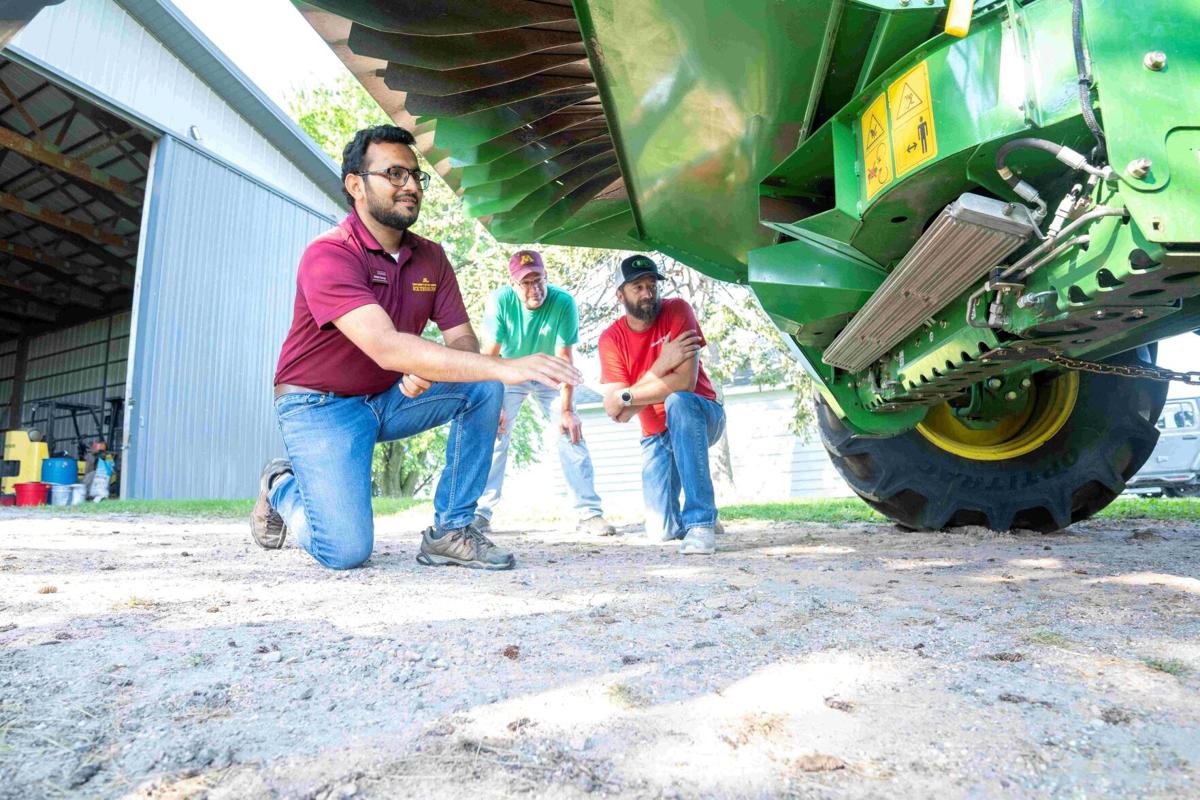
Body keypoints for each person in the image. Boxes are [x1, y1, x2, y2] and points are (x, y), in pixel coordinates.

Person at [251, 125, 581, 571]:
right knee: (345, 551)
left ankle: (451, 531)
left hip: (390, 397)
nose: (411, 185)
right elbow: (387, 347)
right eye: (394, 174)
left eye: (415, 175)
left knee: (482, 384)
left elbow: (462, 341)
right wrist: (506, 366)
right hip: (319, 406)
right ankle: (281, 485)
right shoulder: (329, 254)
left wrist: (437, 367)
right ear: (356, 185)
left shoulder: (431, 257)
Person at [475, 250, 614, 536]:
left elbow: (564, 359)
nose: (534, 289)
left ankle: (589, 513)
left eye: (539, 280)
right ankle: (480, 513)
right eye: (526, 283)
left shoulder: (563, 302)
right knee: (494, 432)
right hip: (510, 370)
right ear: (513, 284)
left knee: (569, 431)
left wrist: (567, 410)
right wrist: (494, 405)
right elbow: (489, 358)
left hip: (550, 371)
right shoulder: (500, 302)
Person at [597, 255, 725, 555]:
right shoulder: (611, 339)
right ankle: (683, 521)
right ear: (620, 295)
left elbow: (684, 383)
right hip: (656, 434)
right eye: (638, 287)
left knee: (678, 402)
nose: (647, 293)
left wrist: (628, 397)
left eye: (652, 285)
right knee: (660, 531)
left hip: (701, 415)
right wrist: (662, 363)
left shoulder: (678, 310)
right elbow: (614, 410)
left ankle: (701, 523)